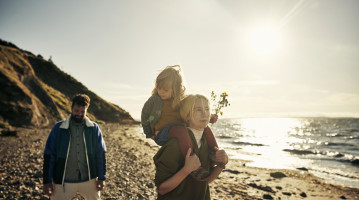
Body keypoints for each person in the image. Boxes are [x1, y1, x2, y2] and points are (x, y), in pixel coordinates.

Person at [141, 65, 219, 181]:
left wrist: (209, 117)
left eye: (165, 89)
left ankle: (215, 152)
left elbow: (191, 110)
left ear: (176, 88)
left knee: (205, 127)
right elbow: (145, 115)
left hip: (178, 129)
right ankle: (192, 163)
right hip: (162, 132)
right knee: (180, 130)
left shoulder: (182, 100)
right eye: (159, 88)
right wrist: (149, 133)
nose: (161, 92)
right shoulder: (154, 100)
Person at [153, 94, 228, 199]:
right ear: (187, 116)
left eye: (207, 109)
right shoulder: (174, 144)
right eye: (198, 110)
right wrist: (186, 170)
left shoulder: (206, 141)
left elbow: (206, 180)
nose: (205, 114)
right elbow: (162, 189)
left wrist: (221, 164)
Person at [43, 94, 106, 200]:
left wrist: (101, 178)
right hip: (63, 181)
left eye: (82, 112)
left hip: (89, 180)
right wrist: (47, 181)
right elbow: (49, 155)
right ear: (71, 109)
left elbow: (101, 153)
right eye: (77, 111)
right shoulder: (58, 128)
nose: (79, 114)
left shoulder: (94, 128)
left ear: (86, 111)